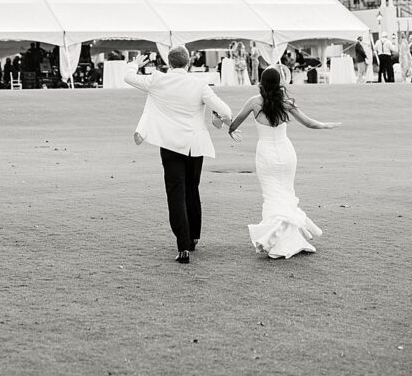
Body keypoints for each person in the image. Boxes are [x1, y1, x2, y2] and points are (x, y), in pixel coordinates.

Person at [125, 45, 233, 265]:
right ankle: (193, 237)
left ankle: (183, 246)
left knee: (176, 194)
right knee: (192, 189)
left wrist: (135, 64)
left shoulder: (158, 80)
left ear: (169, 63)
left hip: (170, 144)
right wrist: (216, 116)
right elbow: (226, 111)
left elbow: (128, 77)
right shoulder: (199, 84)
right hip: (195, 144)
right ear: (188, 62)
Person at [228, 67, 341, 259]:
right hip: (287, 153)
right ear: (279, 82)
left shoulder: (254, 102)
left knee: (272, 196)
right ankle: (289, 238)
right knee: (287, 194)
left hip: (266, 155)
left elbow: (234, 123)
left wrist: (230, 128)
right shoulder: (285, 103)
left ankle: (276, 241)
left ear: (261, 83)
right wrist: (326, 125)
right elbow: (310, 123)